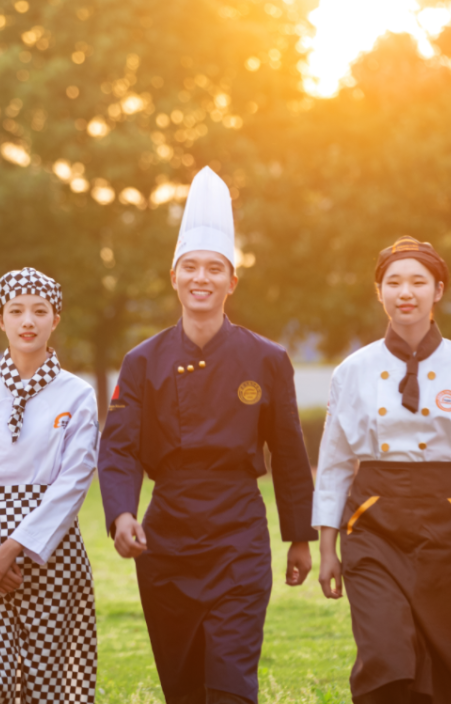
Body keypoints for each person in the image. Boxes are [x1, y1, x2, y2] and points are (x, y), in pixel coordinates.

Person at [98, 167, 315, 704]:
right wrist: (122, 513)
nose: (202, 278)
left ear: (232, 281)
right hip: (166, 537)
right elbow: (119, 447)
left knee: (231, 682)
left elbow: (289, 452)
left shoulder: (267, 359)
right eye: (191, 267)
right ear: (173, 276)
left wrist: (299, 536)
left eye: (215, 268)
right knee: (183, 685)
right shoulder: (142, 361)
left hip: (238, 532)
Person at [314, 235, 451, 703]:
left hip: (447, 519)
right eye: (394, 282)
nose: (406, 292)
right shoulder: (352, 370)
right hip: (371, 522)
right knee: (386, 652)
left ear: (438, 290)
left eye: (418, 282)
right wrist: (327, 547)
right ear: (378, 291)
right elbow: (335, 463)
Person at [0, 267, 98, 704]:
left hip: (52, 551)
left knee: (50, 680)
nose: (28, 321)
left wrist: (15, 547)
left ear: (55, 320)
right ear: (1, 319)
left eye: (40, 311)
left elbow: (73, 482)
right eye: (17, 311)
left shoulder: (77, 394)